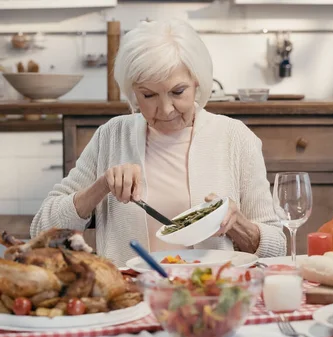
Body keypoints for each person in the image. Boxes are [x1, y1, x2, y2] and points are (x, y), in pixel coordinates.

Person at [30, 19, 287, 267]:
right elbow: (41, 229)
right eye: (148, 95)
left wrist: (238, 225)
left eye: (177, 92)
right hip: (131, 295)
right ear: (133, 92)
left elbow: (277, 248)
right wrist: (101, 187)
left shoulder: (234, 137)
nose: (165, 110)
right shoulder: (112, 136)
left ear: (197, 82)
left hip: (211, 295)